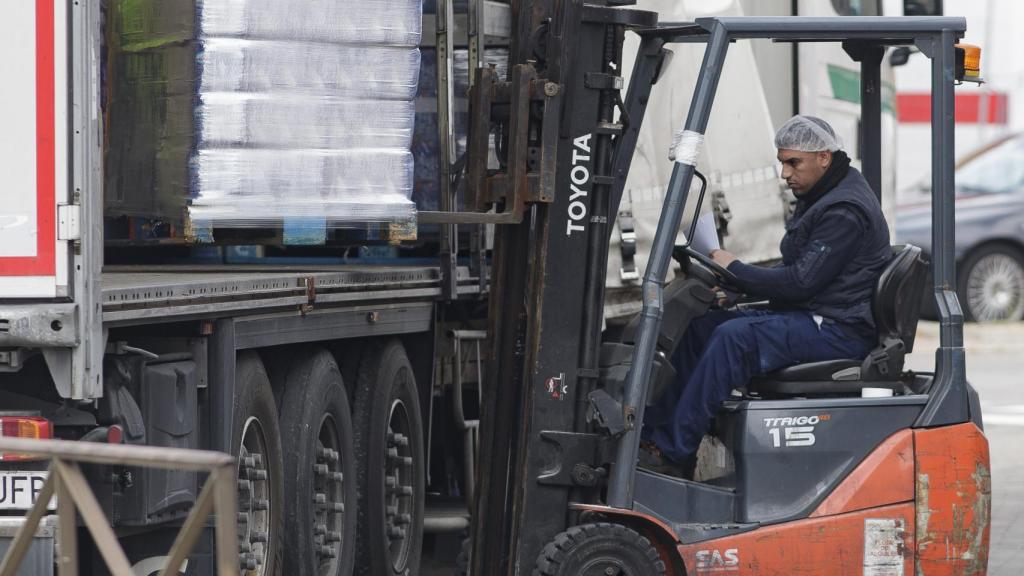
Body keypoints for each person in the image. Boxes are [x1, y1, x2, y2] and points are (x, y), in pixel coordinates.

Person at [639, 115, 892, 477]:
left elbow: (801, 283)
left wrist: (738, 269)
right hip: (818, 314)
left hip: (840, 328)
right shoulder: (823, 193)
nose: (785, 173)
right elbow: (804, 275)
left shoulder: (843, 210)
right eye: (782, 163)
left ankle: (672, 453)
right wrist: (735, 290)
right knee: (702, 325)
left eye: (793, 163)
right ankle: (651, 440)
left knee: (734, 339)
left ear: (823, 157)